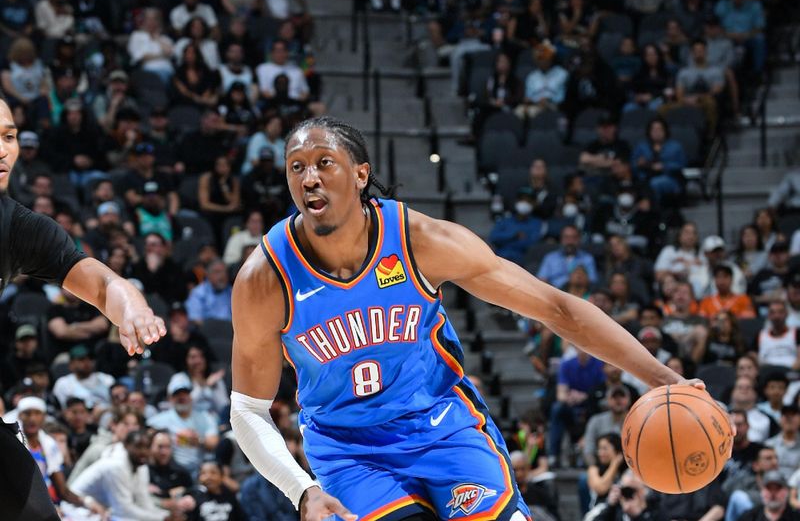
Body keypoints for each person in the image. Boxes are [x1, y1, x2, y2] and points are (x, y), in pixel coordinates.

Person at [228, 116, 702, 521]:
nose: (309, 177)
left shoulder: (420, 241)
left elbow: (556, 308)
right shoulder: (265, 278)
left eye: (323, 163)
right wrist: (303, 490)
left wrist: (665, 379)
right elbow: (248, 409)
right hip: (349, 452)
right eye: (296, 167)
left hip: (443, 426)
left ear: (359, 174)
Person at [0, 97, 166, 521]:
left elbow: (96, 278)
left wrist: (131, 306)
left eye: (9, 136)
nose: (3, 149)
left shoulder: (17, 226)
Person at [70, 429, 175, 521]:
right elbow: (123, 510)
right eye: (138, 446)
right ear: (126, 445)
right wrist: (162, 518)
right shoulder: (116, 464)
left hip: (104, 509)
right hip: (78, 507)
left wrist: (166, 515)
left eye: (147, 447)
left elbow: (143, 501)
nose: (143, 452)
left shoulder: (141, 465)